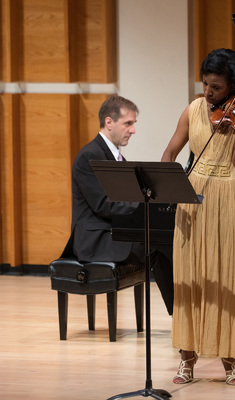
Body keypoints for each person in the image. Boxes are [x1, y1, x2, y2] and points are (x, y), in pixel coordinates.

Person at [161, 48, 235, 386]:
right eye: (205, 84)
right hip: (193, 194)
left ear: (233, 86)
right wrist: (165, 181)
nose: (208, 92)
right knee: (191, 275)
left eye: (216, 87)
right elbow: (172, 149)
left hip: (230, 194)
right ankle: (187, 357)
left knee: (227, 275)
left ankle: (229, 356)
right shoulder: (193, 109)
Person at [61, 95, 174, 316]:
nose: (133, 130)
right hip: (96, 240)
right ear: (109, 122)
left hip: (112, 233)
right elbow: (104, 205)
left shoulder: (112, 156)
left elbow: (124, 198)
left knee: (166, 241)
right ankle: (180, 316)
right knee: (161, 245)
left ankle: (183, 315)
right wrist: (145, 208)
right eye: (128, 124)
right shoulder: (89, 156)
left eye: (134, 124)